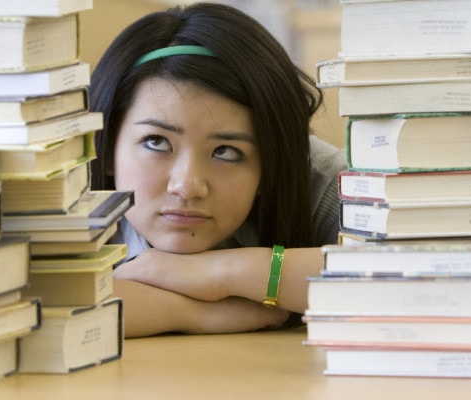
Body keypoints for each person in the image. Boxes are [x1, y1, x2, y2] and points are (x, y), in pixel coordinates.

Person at [88, 2, 347, 337]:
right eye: (156, 142)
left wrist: (228, 272)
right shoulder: (53, 183)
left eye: (226, 152)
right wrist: (190, 313)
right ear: (107, 147)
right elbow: (21, 307)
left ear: (271, 163)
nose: (188, 186)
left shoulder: (322, 179)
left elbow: (427, 274)